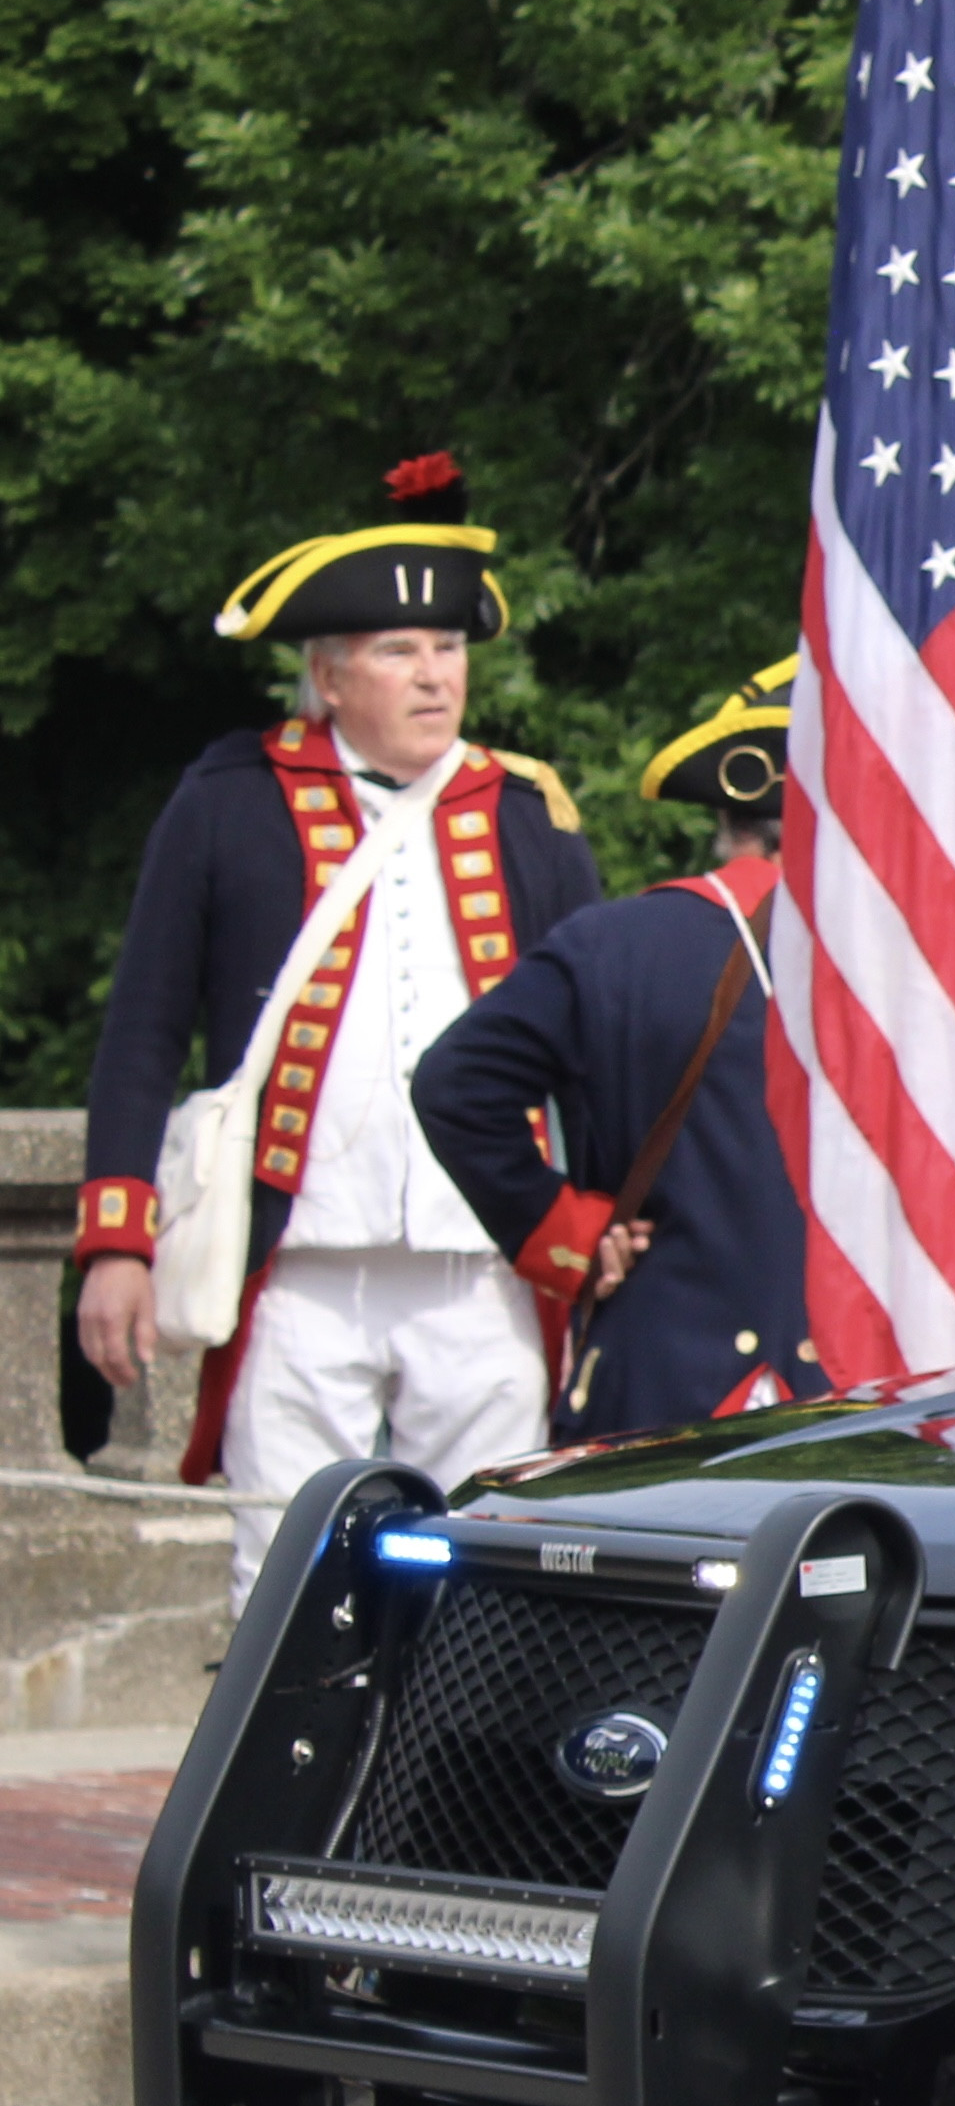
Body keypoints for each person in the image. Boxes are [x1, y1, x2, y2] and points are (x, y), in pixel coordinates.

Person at [76, 458, 603, 1587]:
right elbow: (143, 1030)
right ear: (327, 676)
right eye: (398, 653)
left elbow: (600, 1043)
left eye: (448, 650)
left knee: (491, 1565)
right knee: (285, 1566)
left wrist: (599, 1215)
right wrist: (117, 1238)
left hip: (484, 1261)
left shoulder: (528, 812)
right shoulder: (227, 802)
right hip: (299, 1263)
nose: (435, 677)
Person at [410, 657, 822, 1440]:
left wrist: (566, 1229)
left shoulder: (615, 944)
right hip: (863, 1383)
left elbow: (454, 1084)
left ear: (726, 813)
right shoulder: (904, 965)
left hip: (655, 1381)